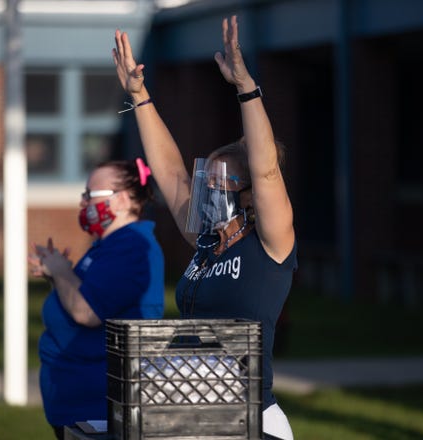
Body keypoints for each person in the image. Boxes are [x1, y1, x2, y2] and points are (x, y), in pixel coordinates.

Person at [112, 15, 296, 440]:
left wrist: (245, 89)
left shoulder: (270, 244)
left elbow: (266, 171)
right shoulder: (207, 240)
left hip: (253, 422)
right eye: (205, 181)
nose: (205, 191)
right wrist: (140, 97)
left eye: (219, 183)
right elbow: (172, 175)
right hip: (199, 414)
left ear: (246, 193)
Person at [28, 158, 165, 440]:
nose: (83, 203)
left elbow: (87, 312)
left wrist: (61, 270)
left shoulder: (132, 247)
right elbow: (85, 297)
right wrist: (56, 275)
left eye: (90, 196)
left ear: (122, 200)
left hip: (98, 411)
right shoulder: (108, 245)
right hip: (78, 407)